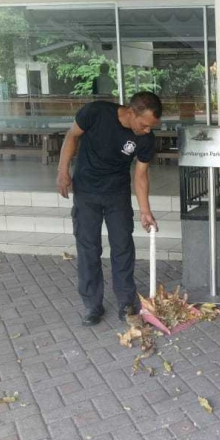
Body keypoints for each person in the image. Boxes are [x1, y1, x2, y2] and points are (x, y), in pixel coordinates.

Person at [56, 92, 162, 326]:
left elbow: (141, 175)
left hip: (117, 195)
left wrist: (145, 210)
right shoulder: (96, 112)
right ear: (131, 112)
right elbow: (72, 136)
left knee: (123, 246)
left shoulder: (146, 138)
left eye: (151, 127)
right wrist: (63, 171)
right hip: (86, 192)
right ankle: (92, 305)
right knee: (88, 248)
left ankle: (126, 302)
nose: (147, 131)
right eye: (144, 125)